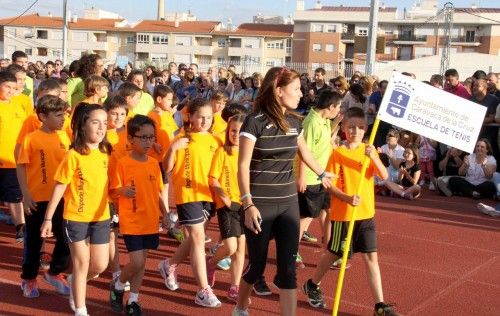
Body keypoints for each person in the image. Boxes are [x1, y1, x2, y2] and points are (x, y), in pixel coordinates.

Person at [234, 67, 332, 316]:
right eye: (296, 89)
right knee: (256, 268)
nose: (301, 94)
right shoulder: (254, 121)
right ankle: (240, 307)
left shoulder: (295, 122)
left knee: (288, 269)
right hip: (259, 204)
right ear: (279, 91)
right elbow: (243, 165)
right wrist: (247, 204)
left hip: (288, 202)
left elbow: (304, 152)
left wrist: (322, 173)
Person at [302, 107, 397, 316]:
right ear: (344, 128)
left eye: (360, 128)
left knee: (371, 257)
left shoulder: (368, 151)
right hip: (344, 214)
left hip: (366, 214)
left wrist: (374, 156)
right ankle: (312, 283)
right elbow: (329, 184)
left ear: (365, 130)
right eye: (351, 127)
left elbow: (384, 176)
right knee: (334, 253)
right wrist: (346, 197)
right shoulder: (337, 153)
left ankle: (380, 305)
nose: (356, 131)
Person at [40, 104, 112, 316]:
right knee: (82, 262)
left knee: (99, 265)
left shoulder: (107, 152)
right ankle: (80, 309)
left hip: (101, 216)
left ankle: (74, 281)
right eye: (95, 122)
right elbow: (60, 186)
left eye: (105, 123)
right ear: (83, 126)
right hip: (76, 217)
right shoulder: (73, 155)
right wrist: (48, 219)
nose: (101, 128)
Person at [158, 98, 222, 308]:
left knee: (195, 239)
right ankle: (203, 290)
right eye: (200, 117)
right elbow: (167, 168)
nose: (205, 121)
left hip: (208, 196)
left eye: (209, 118)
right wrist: (173, 149)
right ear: (190, 117)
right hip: (188, 194)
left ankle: (169, 264)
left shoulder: (216, 141)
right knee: (197, 239)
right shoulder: (181, 138)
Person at [109, 115, 167, 315]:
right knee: (137, 262)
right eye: (143, 137)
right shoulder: (123, 162)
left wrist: (166, 213)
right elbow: (113, 189)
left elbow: (158, 192)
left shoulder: (153, 163)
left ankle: (133, 300)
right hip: (132, 220)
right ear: (130, 139)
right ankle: (118, 284)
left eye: (151, 137)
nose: (148, 142)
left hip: (151, 220)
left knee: (142, 263)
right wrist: (122, 191)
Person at [16, 95, 71, 298]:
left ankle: (54, 272)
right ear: (42, 116)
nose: (63, 119)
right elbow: (21, 167)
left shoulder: (65, 136)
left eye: (64, 114)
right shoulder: (32, 138)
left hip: (62, 199)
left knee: (66, 240)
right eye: (58, 115)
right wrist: (26, 194)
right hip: (37, 199)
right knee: (34, 243)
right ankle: (28, 279)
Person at [296, 90, 342, 269]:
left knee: (328, 213)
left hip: (323, 176)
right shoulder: (311, 122)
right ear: (330, 106)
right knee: (304, 218)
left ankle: (328, 251)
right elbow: (303, 151)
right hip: (310, 178)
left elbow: (326, 139)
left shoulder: (324, 121)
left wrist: (336, 123)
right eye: (337, 108)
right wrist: (301, 177)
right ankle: (292, 251)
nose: (338, 111)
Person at [206, 114, 247, 302]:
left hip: (245, 205)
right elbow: (213, 178)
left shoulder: (249, 153)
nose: (236, 134)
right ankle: (211, 263)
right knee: (230, 246)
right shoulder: (223, 152)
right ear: (228, 131)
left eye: (240, 131)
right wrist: (225, 197)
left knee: (240, 249)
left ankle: (234, 286)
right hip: (227, 205)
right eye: (233, 130)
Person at [147, 85, 184, 242]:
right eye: (169, 99)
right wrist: (154, 143)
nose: (171, 102)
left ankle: (165, 214)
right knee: (157, 188)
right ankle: (161, 216)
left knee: (166, 186)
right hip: (156, 158)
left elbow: (173, 132)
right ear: (159, 99)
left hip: (167, 157)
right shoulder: (152, 115)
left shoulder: (168, 114)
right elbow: (148, 133)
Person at [0, 71, 27, 242]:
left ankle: (21, 228)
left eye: (13, 87)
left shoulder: (19, 105)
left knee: (15, 196)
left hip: (13, 160)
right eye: (7, 87)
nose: (10, 90)